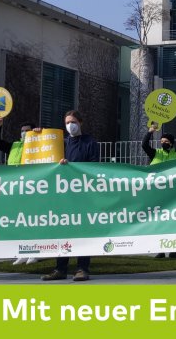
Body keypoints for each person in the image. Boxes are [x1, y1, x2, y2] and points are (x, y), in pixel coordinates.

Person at [41, 110, 99, 282]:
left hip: (83, 195)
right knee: (63, 232)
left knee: (82, 232)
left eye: (72, 121)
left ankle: (82, 268)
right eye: (67, 122)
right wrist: (36, 135)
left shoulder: (90, 142)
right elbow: (43, 154)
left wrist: (72, 167)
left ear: (80, 122)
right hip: (63, 196)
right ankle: (60, 268)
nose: (69, 125)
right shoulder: (61, 144)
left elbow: (94, 167)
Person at [0, 116, 40, 264]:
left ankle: (36, 251)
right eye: (22, 131)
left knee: (34, 221)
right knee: (21, 221)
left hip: (33, 187)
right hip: (16, 187)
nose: (24, 133)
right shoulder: (14, 145)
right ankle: (23, 251)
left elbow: (53, 144)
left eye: (27, 131)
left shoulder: (39, 143)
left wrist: (41, 133)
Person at [142, 126, 176, 258]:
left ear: (171, 143)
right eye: (161, 141)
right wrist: (150, 132)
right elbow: (144, 145)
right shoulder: (156, 153)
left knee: (174, 222)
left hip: (172, 196)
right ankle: (160, 250)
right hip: (157, 195)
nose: (163, 143)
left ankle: (174, 251)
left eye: (166, 141)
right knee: (159, 222)